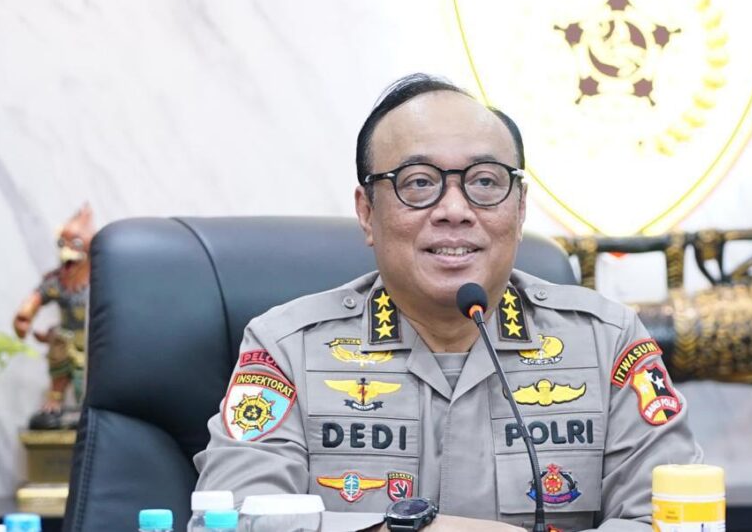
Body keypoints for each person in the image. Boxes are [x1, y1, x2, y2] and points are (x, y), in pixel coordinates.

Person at [194, 74, 702, 531]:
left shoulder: (606, 342)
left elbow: (674, 521)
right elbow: (235, 520)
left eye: (485, 182)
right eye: (418, 183)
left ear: (520, 209)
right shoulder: (287, 350)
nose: (455, 210)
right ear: (367, 213)